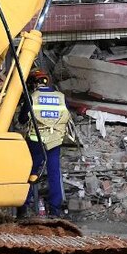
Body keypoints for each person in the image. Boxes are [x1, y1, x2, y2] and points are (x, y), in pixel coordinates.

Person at [22, 69, 72, 218]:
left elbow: (22, 119)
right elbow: (66, 117)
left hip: (36, 142)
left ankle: (22, 208)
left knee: (31, 172)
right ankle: (55, 210)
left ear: (34, 83)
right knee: (54, 173)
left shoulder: (32, 97)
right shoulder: (61, 97)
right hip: (55, 141)